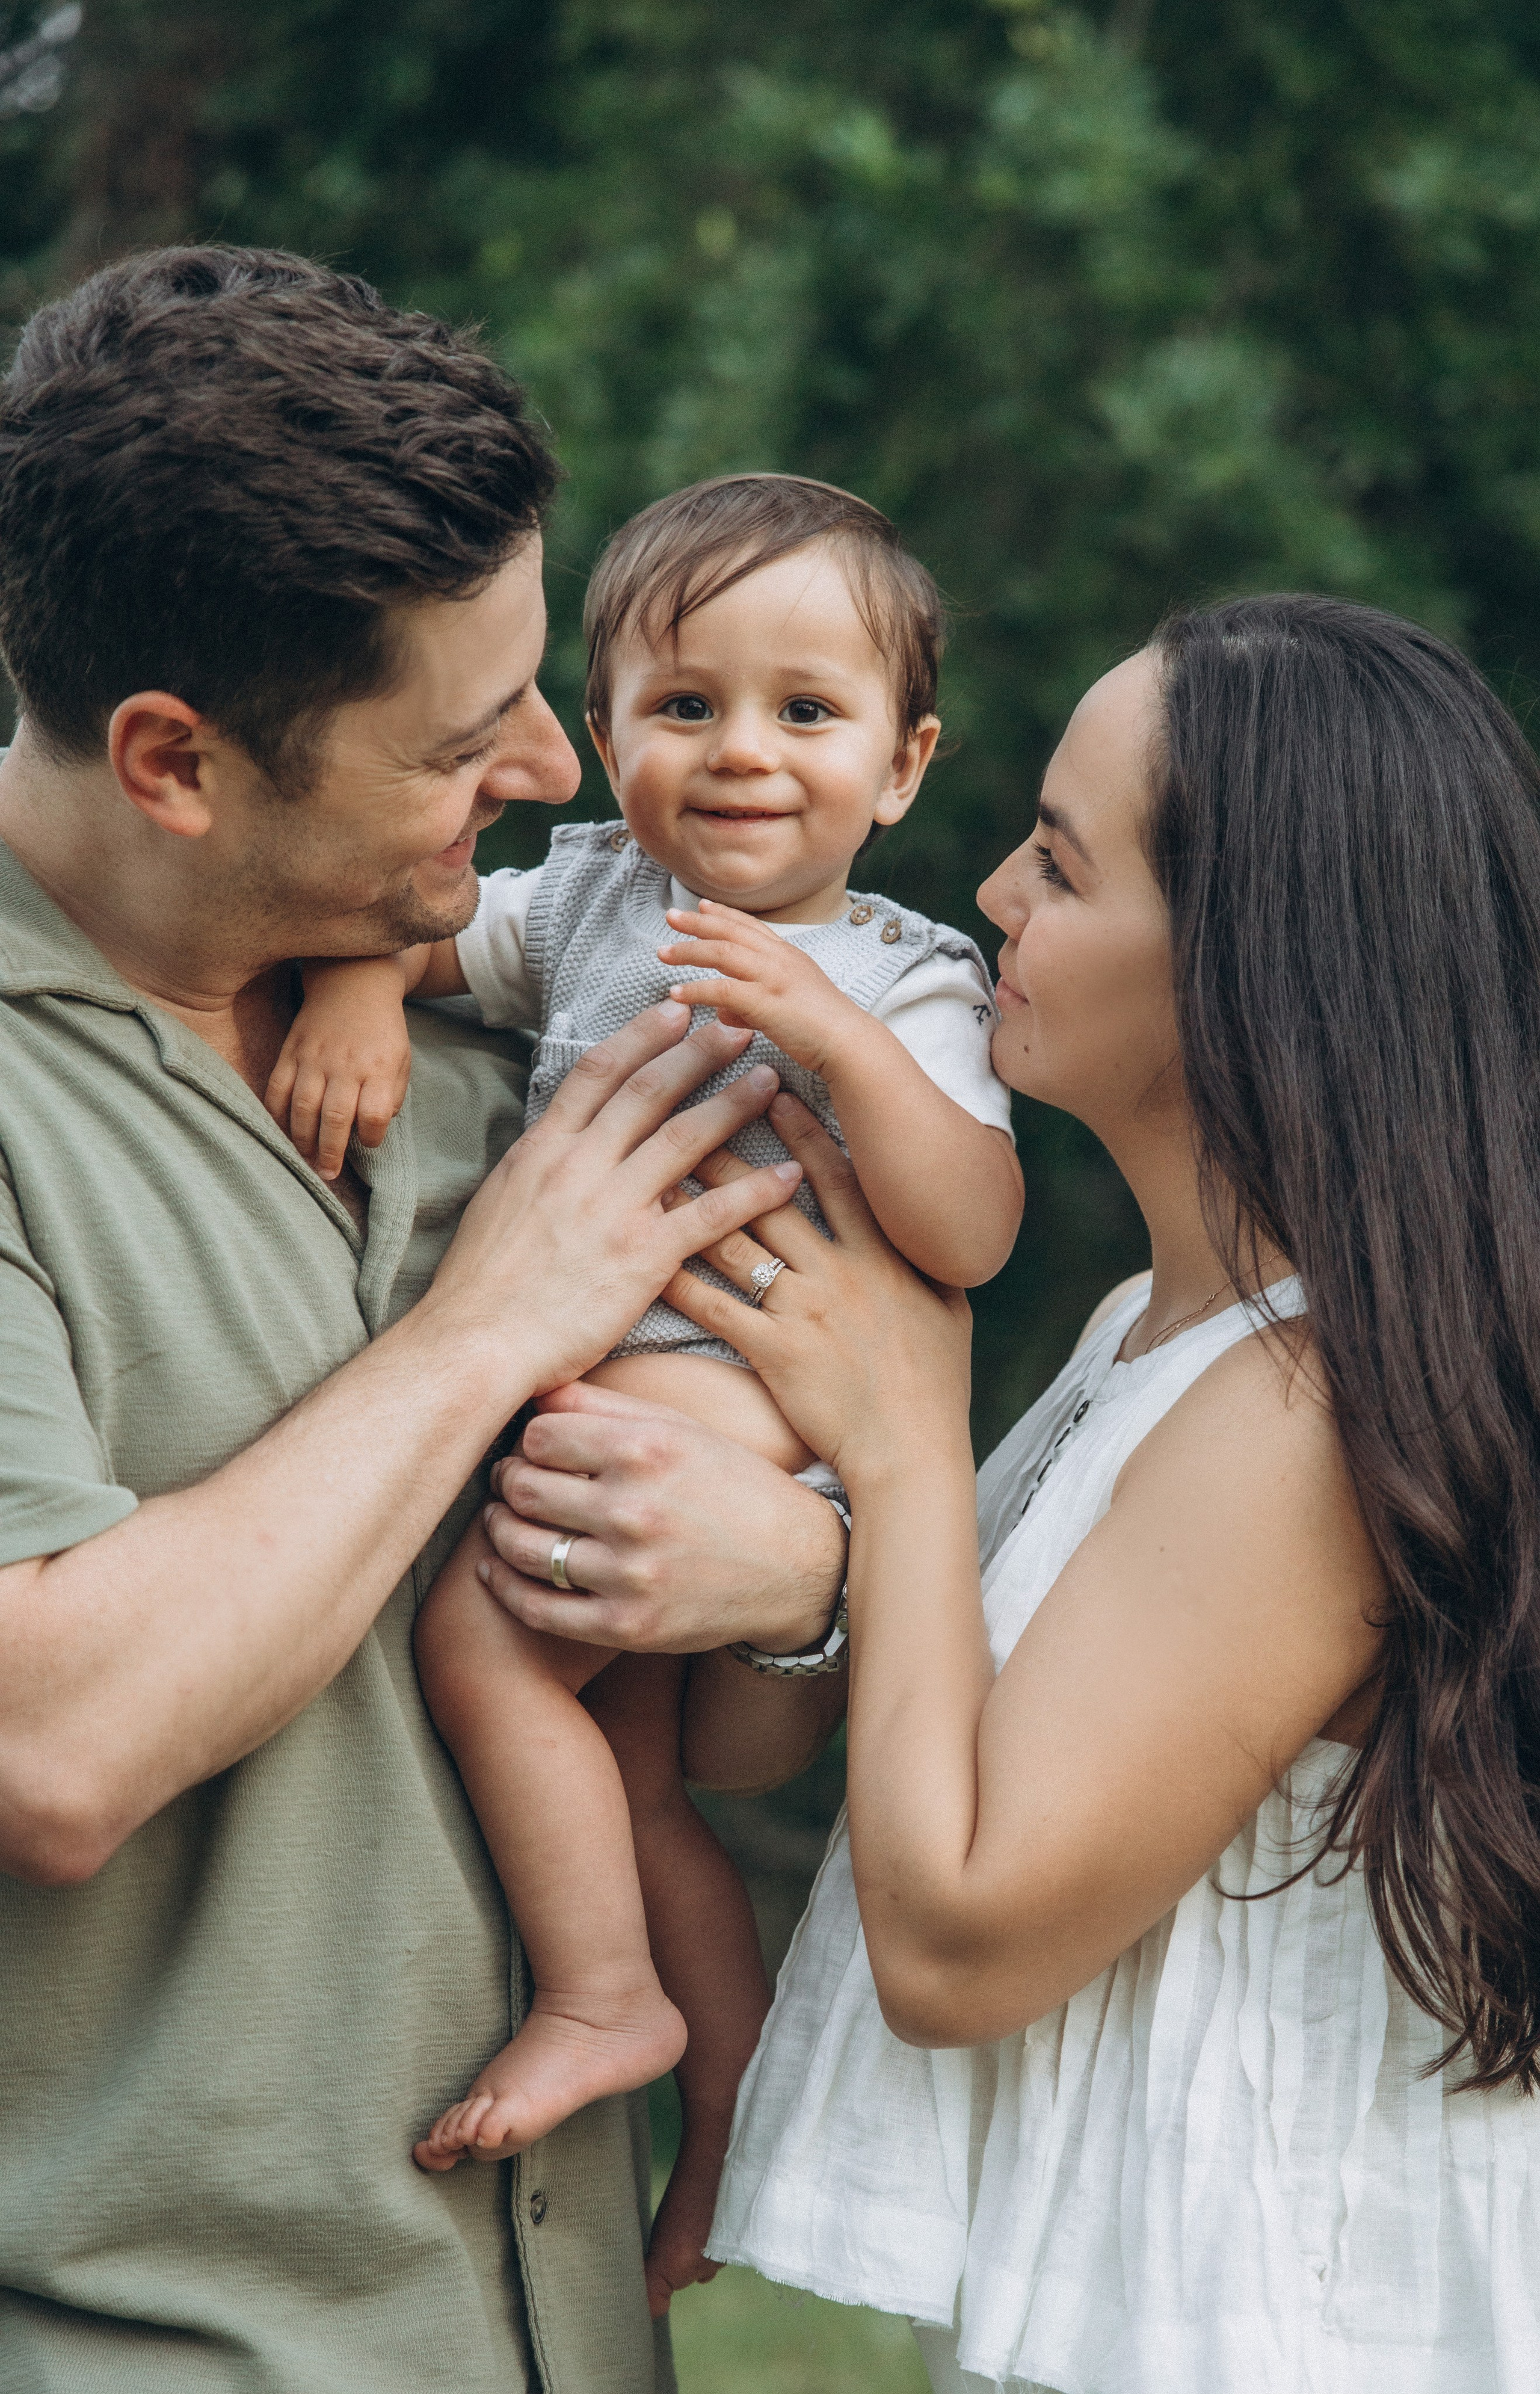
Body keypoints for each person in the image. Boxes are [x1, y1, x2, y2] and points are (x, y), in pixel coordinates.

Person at [486, 595, 1540, 2393]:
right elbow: (837, 1749)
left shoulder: (1305, 1403)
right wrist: (807, 1575)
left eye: (1060, 862)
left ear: (1240, 955)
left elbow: (962, 1931)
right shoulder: (1155, 1327)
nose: (991, 898)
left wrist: (897, 1450)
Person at [0, 245, 852, 2393]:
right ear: (173, 760)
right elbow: (52, 1740)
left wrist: (800, 1579)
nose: (563, 769)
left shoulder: (523, 1027)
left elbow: (798, 1609)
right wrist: (482, 1331)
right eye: (466, 737)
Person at [268, 470, 1023, 2308]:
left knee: (483, 1645)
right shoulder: (587, 894)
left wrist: (829, 1029)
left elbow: (978, 1223)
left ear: (903, 766)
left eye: (808, 711)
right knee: (637, 1790)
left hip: (714, 1413)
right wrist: (365, 989)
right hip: (610, 1402)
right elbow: (413, 925)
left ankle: (606, 1995)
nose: (743, 752)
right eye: (684, 707)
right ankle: (725, 2081)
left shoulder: (911, 977)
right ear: (602, 737)